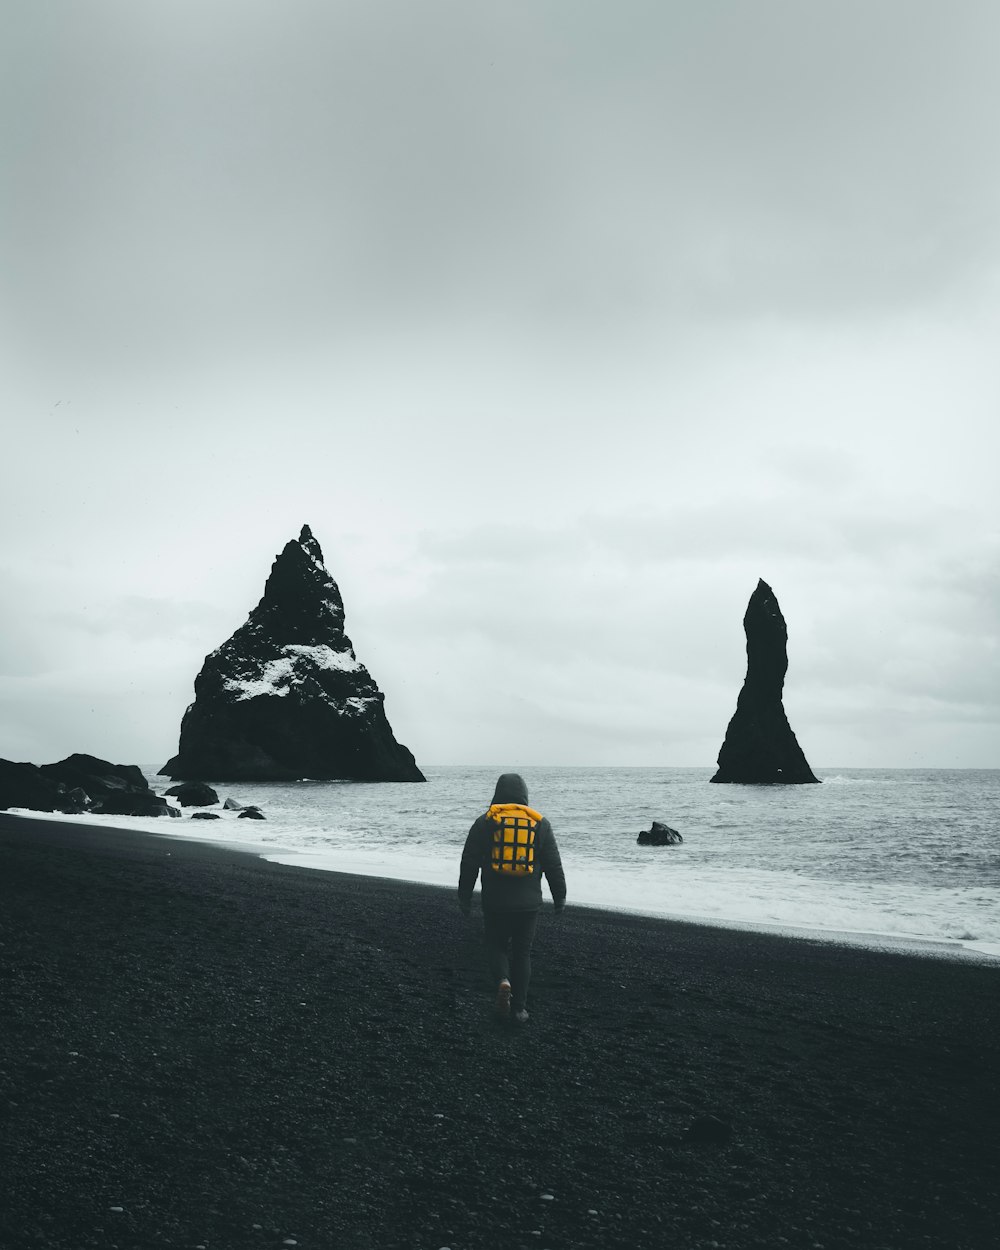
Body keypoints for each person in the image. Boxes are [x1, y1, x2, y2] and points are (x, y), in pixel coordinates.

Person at [458, 773, 566, 1024]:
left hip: (495, 901)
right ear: (524, 795)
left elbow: (469, 863)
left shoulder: (485, 822)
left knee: (495, 945)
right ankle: (519, 1009)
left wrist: (464, 897)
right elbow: (553, 865)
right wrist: (559, 897)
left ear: (497, 794)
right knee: (522, 952)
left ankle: (503, 981)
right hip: (528, 905)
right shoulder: (540, 824)